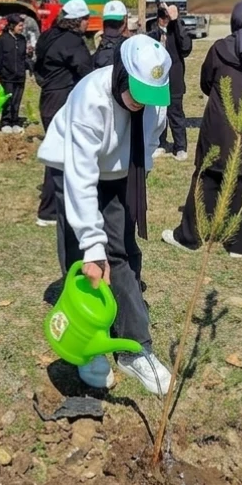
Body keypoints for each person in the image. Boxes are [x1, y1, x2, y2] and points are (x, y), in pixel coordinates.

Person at [37, 34, 174, 394]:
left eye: (150, 96)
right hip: (72, 166)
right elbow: (80, 177)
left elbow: (151, 140)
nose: (142, 103)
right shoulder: (90, 98)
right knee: (82, 254)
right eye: (136, 93)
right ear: (121, 74)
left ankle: (135, 349)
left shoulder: (155, 98)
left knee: (121, 251)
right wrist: (92, 246)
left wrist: (136, 178)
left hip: (119, 170)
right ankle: (87, 343)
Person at [163, 1, 242, 256]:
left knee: (206, 180)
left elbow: (206, 83)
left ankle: (190, 236)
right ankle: (239, 245)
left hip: (220, 127)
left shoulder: (220, 48)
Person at [33, 0, 94, 226]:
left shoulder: (48, 36)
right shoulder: (72, 42)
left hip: (48, 98)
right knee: (60, 156)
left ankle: (62, 202)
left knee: (61, 152)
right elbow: (86, 71)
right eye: (86, 19)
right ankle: (48, 211)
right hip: (62, 101)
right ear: (77, 21)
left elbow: (38, 67)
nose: (88, 23)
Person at [146, 2, 193, 161]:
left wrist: (176, 21)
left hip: (174, 78)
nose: (165, 20)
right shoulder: (152, 28)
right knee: (157, 113)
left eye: (168, 17)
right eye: (163, 16)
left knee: (175, 113)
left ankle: (180, 147)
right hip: (156, 78)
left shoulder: (177, 29)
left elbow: (186, 48)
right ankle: (160, 143)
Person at [0, 13, 29, 133]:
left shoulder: (22, 40)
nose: (21, 28)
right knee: (8, 101)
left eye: (22, 25)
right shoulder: (3, 39)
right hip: (7, 76)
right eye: (20, 25)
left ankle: (15, 122)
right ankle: (5, 122)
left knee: (17, 101)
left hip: (20, 76)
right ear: (12, 26)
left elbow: (24, 58)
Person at [92, 0, 129, 70]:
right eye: (110, 23)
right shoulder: (126, 50)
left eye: (114, 24)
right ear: (125, 20)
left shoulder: (100, 48)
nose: (112, 27)